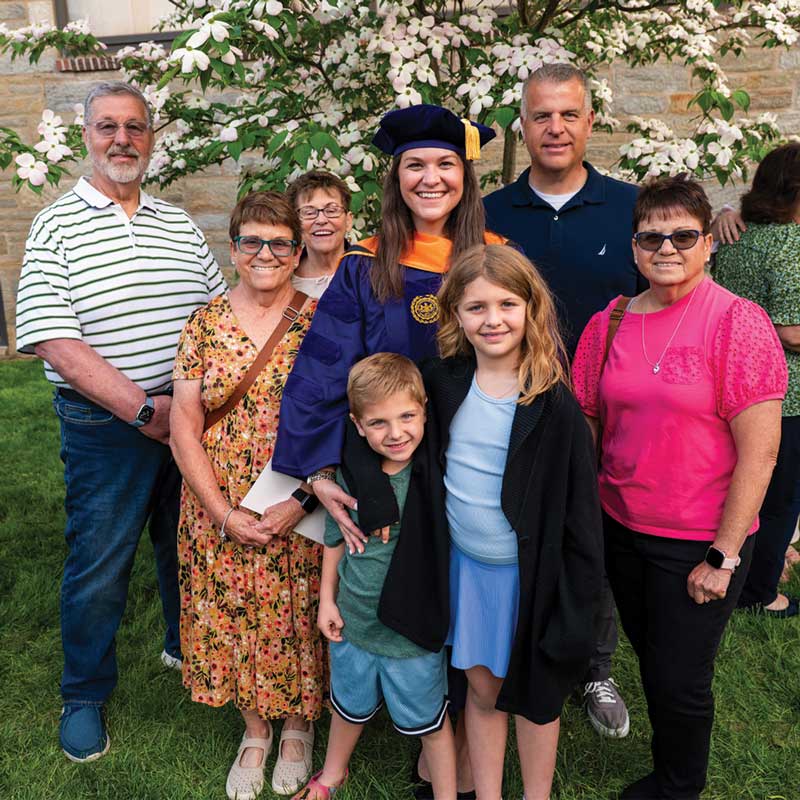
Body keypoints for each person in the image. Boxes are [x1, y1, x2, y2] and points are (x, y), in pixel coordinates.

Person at [273, 104, 504, 799]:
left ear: (465, 175)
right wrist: (318, 470)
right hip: (386, 466)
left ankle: (454, 733)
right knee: (392, 583)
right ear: (395, 178)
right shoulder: (363, 267)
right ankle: (421, 726)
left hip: (472, 465)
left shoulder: (493, 258)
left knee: (465, 593)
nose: (431, 178)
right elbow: (322, 371)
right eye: (415, 165)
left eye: (446, 164)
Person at [14, 81, 225, 763]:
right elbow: (52, 339)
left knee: (184, 543)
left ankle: (183, 645)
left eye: (135, 126)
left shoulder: (177, 223)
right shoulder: (56, 225)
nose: (122, 139)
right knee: (101, 562)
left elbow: (216, 315)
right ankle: (83, 694)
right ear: (86, 136)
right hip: (107, 425)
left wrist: (183, 408)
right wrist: (140, 408)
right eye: (107, 126)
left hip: (184, 415)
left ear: (151, 138)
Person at [572, 175, 787, 799]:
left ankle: (678, 786)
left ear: (708, 243)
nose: (667, 248)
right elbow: (588, 420)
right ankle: (671, 767)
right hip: (621, 525)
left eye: (684, 236)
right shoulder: (610, 321)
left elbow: (762, 452)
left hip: (699, 538)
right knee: (653, 657)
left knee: (681, 676)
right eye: (651, 237)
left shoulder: (738, 323)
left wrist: (724, 556)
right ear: (634, 247)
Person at [362, 244, 603, 800]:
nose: (493, 319)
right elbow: (374, 426)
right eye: (476, 307)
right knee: (481, 689)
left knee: (537, 698)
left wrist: (579, 600)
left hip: (530, 577)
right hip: (468, 571)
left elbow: (581, 517)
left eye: (507, 304)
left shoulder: (553, 405)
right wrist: (370, 492)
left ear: (530, 308)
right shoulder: (441, 383)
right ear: (455, 314)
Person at [483, 62, 641, 739]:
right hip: (510, 403)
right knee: (510, 532)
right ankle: (510, 651)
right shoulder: (490, 214)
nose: (555, 127)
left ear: (590, 122)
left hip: (606, 407)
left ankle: (593, 665)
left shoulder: (630, 208)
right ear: (522, 124)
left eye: (568, 114)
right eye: (541, 115)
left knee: (589, 538)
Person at [170, 192, 323, 800]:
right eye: (252, 241)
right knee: (228, 609)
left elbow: (343, 418)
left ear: (297, 252)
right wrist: (221, 511)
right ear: (232, 251)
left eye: (280, 243)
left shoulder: (321, 321)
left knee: (298, 611)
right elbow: (184, 424)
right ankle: (255, 729)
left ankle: (298, 725)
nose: (266, 253)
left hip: (299, 498)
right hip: (218, 498)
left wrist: (301, 502)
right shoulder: (204, 323)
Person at [293, 353, 457, 800]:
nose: (396, 432)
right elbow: (335, 539)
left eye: (407, 416)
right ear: (358, 426)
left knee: (431, 723)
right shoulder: (352, 477)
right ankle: (332, 773)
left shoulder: (435, 475)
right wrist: (327, 600)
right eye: (378, 423)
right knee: (347, 705)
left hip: (410, 634)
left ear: (424, 411)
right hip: (354, 621)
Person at [714, 142, 800, 618]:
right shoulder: (790, 243)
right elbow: (792, 331)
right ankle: (761, 594)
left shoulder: (736, 236)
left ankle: (751, 568)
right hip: (786, 394)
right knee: (780, 498)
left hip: (734, 382)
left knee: (745, 490)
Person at [286, 170, 354, 299]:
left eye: (331, 210)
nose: (321, 220)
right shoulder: (283, 280)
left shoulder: (372, 273)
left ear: (348, 221)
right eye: (309, 212)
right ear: (295, 223)